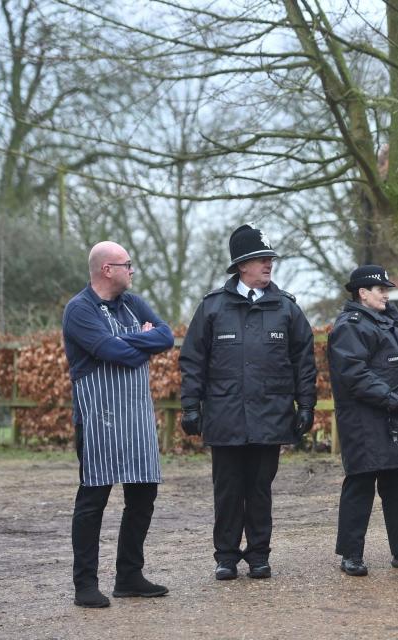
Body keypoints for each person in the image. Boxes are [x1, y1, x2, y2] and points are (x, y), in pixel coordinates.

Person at [179, 224, 318, 581]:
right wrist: (191, 405)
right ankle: (225, 556)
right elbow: (193, 359)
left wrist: (306, 405)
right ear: (242, 265)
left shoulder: (286, 309)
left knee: (259, 489)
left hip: (270, 417)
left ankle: (259, 554)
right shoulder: (213, 308)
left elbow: (305, 360)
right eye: (261, 259)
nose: (269, 264)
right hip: (225, 417)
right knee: (227, 491)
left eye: (270, 258)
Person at [62, 241, 175, 608]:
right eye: (127, 264)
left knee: (143, 497)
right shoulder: (79, 310)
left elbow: (166, 336)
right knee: (93, 499)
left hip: (138, 417)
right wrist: (142, 340)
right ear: (107, 269)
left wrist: (134, 339)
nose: (132, 270)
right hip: (100, 418)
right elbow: (114, 354)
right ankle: (85, 584)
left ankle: (129, 576)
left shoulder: (132, 302)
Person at [327, 265, 398, 577]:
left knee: (397, 482)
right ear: (362, 293)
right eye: (381, 290)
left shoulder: (384, 321)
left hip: (391, 418)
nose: (386, 295)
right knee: (361, 484)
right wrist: (388, 397)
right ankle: (351, 555)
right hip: (366, 421)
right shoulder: (351, 326)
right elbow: (352, 372)